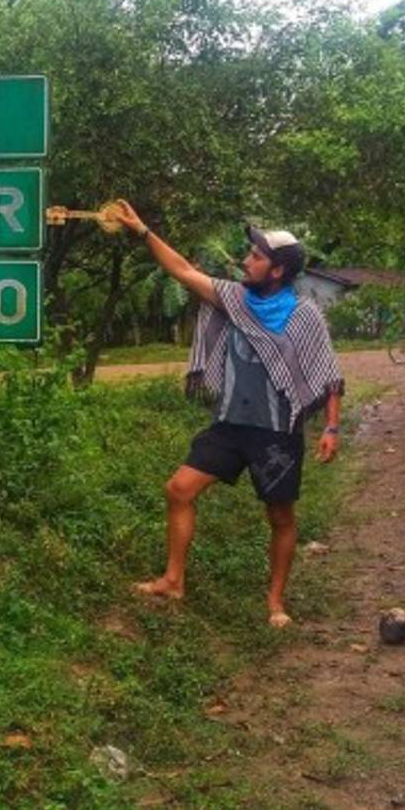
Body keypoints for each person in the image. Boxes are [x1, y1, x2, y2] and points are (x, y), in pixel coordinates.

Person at [113, 201, 344, 628]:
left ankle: (275, 602)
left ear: (277, 270)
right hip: (230, 425)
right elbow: (182, 270)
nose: (245, 261)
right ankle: (173, 581)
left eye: (255, 257)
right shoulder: (234, 299)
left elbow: (327, 374)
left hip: (276, 434)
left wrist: (331, 426)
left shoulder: (305, 316)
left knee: (280, 517)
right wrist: (142, 230)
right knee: (179, 490)